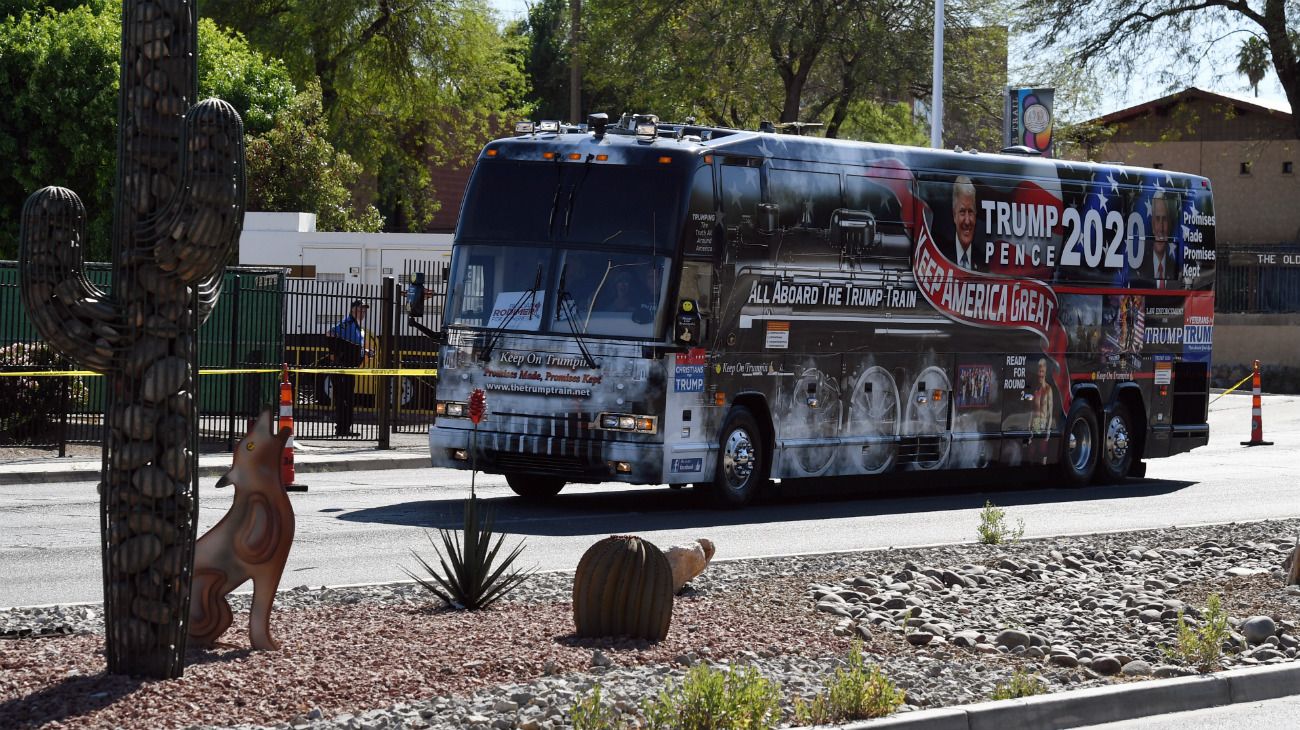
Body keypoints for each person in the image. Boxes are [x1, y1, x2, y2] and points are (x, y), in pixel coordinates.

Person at [327, 299, 372, 436]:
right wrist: (335, 353)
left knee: (348, 398)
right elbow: (330, 333)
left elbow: (354, 347)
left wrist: (365, 352)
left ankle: (345, 428)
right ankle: (342, 428)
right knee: (343, 398)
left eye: (364, 310)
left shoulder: (358, 327)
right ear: (353, 310)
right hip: (342, 368)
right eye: (360, 309)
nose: (363, 312)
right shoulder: (347, 323)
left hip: (350, 368)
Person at [1142, 192, 1181, 290]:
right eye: (1157, 219)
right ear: (1152, 225)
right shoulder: (1140, 267)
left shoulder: (1176, 268)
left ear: (1169, 225)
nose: (1161, 228)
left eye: (1164, 219)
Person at [949, 176, 983, 271]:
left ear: (976, 215)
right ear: (954, 215)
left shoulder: (983, 262)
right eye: (962, 212)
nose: (967, 221)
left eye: (971, 211)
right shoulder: (941, 254)